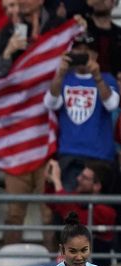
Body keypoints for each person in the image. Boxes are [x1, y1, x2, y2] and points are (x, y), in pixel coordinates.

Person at [44, 33, 120, 192]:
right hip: (70, 154)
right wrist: (60, 73)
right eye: (78, 50)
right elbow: (50, 103)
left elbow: (112, 105)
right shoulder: (64, 79)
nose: (83, 54)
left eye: (87, 51)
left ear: (95, 55)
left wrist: (97, 76)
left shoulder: (107, 79)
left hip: (101, 156)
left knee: (102, 211)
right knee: (72, 210)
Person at [46, 160, 116, 266]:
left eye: (84, 178)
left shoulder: (107, 212)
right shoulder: (79, 198)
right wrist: (50, 182)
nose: (78, 178)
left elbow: (73, 216)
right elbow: (54, 204)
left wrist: (57, 182)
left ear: (97, 186)